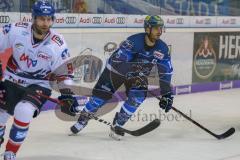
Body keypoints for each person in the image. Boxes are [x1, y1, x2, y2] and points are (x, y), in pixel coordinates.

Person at [60, 15, 174, 141]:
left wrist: (167, 94)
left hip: (137, 77)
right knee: (97, 100)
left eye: (161, 28)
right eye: (156, 28)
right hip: (114, 72)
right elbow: (117, 61)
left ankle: (117, 125)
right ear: (148, 29)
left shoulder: (163, 48)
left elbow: (166, 73)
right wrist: (132, 73)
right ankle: (82, 121)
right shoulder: (133, 42)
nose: (160, 31)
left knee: (137, 97)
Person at [0, 0, 73, 159]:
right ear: (33, 18)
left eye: (49, 19)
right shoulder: (16, 30)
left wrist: (67, 95)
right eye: (41, 18)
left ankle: (10, 151)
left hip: (39, 84)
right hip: (12, 79)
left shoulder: (57, 43)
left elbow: (64, 73)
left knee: (24, 111)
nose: (45, 23)